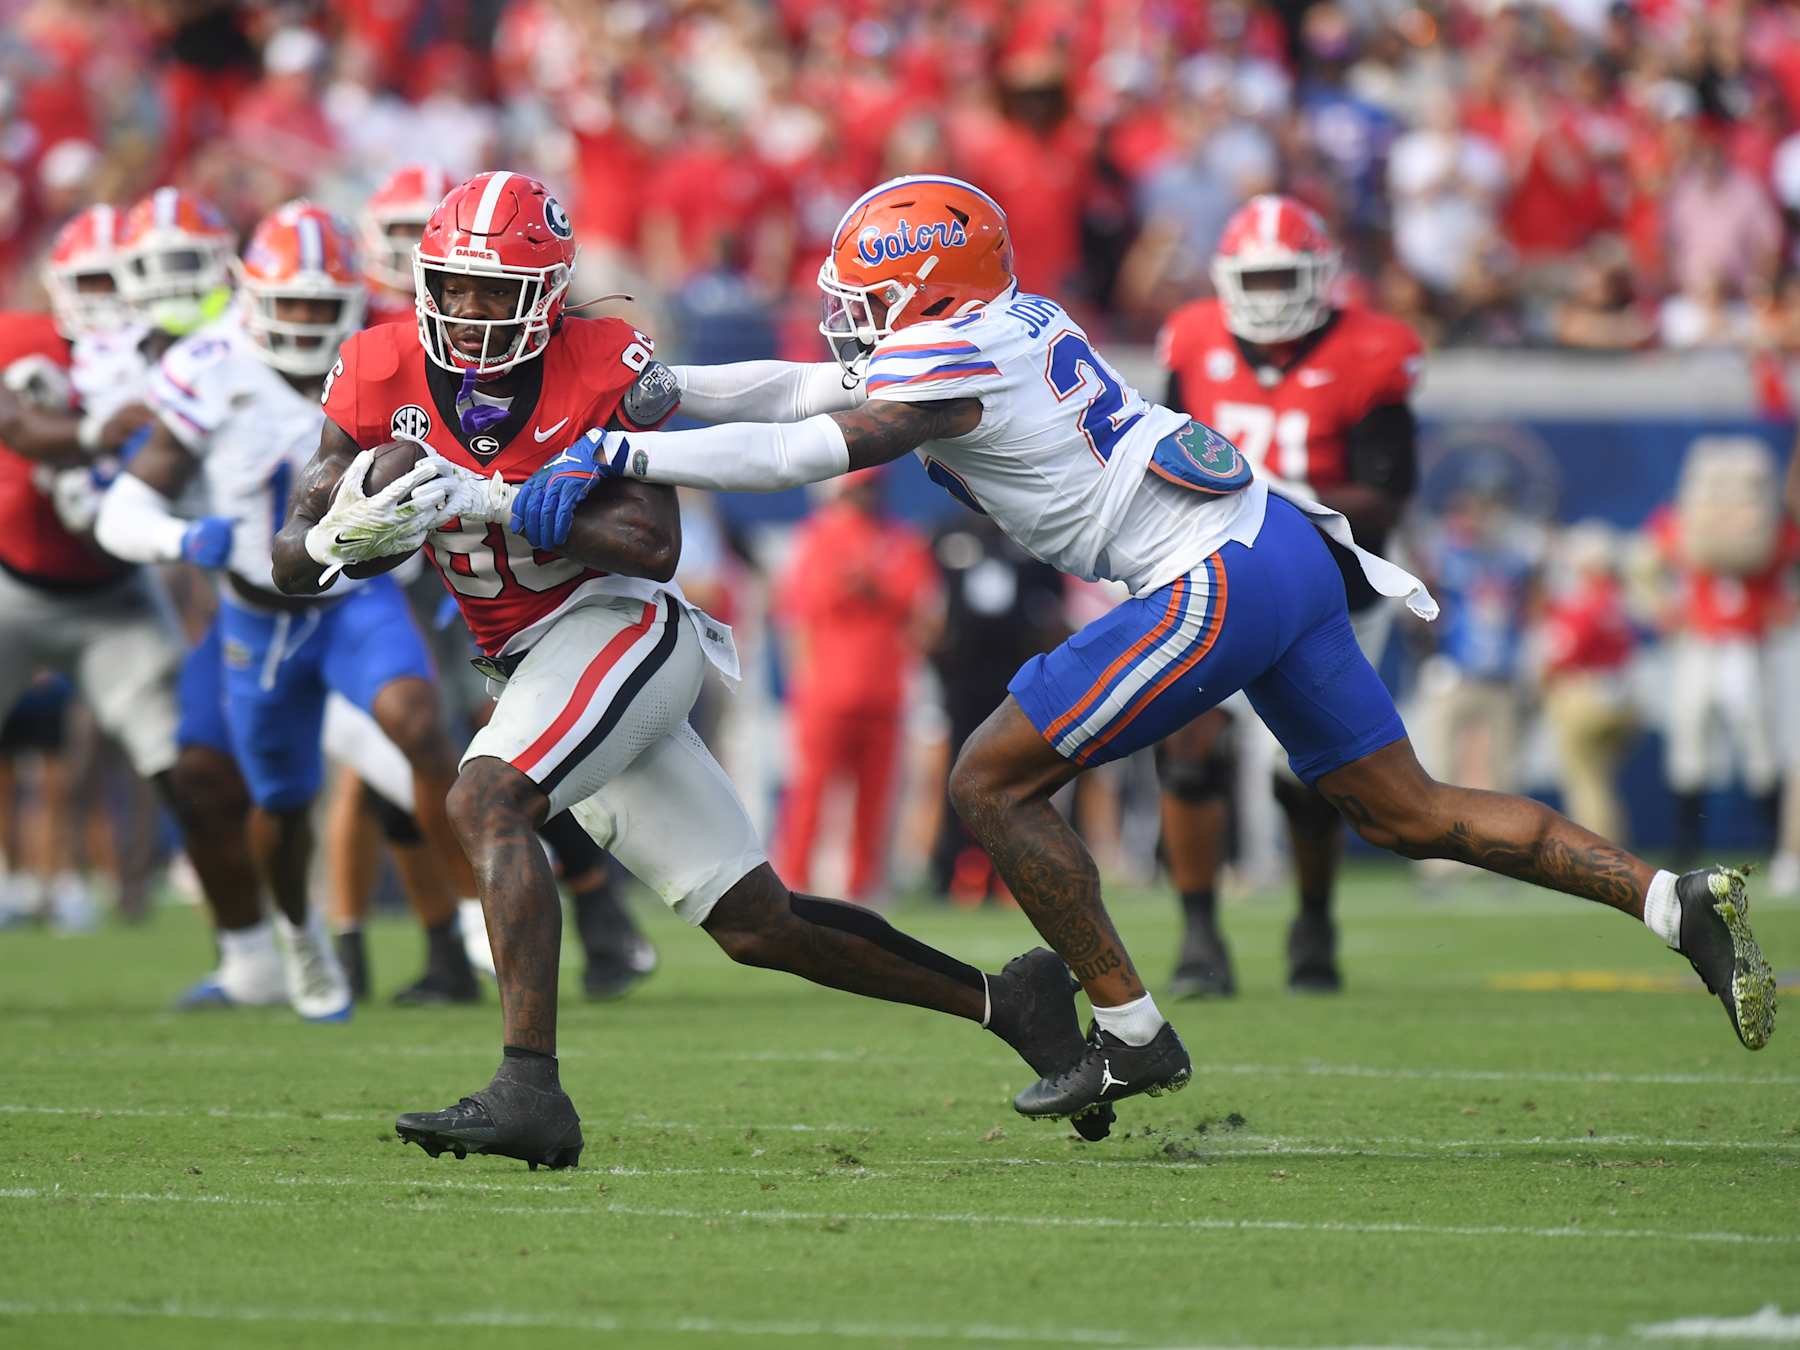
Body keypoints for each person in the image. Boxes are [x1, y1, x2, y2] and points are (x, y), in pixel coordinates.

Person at [529, 173, 1778, 1125]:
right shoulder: (999, 319)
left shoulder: (950, 358)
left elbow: (813, 445)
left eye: (870, 297)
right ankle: (1673, 904)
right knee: (1406, 811)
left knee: (986, 780)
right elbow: (810, 387)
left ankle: (1130, 1030)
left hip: (1210, 571)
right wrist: (676, 387)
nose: (848, 320)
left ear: (930, 288)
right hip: (1277, 544)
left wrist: (622, 450)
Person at [270, 170, 1107, 1168]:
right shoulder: (373, 368)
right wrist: (348, 523)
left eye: (497, 291)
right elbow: (292, 555)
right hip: (533, 667)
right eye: (454, 286)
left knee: (487, 799)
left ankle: (528, 1090)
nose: (470, 309)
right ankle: (1011, 1003)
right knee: (757, 924)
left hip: (621, 626)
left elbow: (650, 542)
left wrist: (499, 497)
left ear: (549, 292)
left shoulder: (603, 360)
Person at [95, 200, 476, 1019]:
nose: (304, 321)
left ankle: (481, 919)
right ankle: (296, 943)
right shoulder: (209, 366)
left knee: (417, 721)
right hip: (257, 612)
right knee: (280, 801)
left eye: (319, 304)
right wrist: (175, 537)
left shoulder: (385, 357)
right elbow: (124, 507)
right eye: (289, 301)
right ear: (252, 295)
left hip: (354, 598)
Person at [1156, 194, 1422, 995]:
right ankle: (1200, 936)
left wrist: (1265, 494)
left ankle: (1314, 920)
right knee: (1188, 742)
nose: (1271, 297)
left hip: (1332, 587)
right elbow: (1158, 445)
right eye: (1257, 278)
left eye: (1285, 278)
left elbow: (1388, 492)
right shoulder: (1195, 338)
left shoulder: (1376, 349)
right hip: (1219, 575)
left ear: (1321, 276)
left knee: (1307, 773)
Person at [0, 196, 266, 983]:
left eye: (121, 283)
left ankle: (248, 955)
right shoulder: (26, 339)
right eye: (91, 283)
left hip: (116, 598)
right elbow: (16, 421)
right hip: (11, 587)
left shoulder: (183, 358)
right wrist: (90, 434)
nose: (106, 304)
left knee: (192, 770)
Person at [774, 470, 938, 904]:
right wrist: (801, 684)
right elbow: (798, 616)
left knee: (874, 798)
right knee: (809, 793)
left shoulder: (900, 539)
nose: (865, 496)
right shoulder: (819, 537)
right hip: (826, 694)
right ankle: (792, 879)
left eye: (871, 487)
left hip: (883, 691)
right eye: (858, 488)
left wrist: (874, 589)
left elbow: (920, 608)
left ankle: (863, 885)